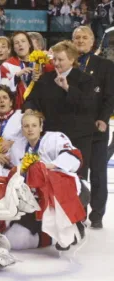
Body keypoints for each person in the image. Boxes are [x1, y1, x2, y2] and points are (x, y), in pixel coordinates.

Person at [5, 111, 87, 251]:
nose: (30, 129)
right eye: (26, 126)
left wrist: (45, 167)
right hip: (33, 201)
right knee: (13, 239)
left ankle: (74, 224)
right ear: (22, 129)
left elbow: (75, 157)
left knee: (68, 235)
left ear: (41, 127)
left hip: (63, 195)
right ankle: (47, 235)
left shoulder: (54, 138)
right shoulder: (18, 147)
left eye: (34, 125)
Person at [24, 40, 96, 180]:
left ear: (71, 60)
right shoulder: (46, 78)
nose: (56, 63)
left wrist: (67, 88)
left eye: (60, 59)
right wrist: (29, 110)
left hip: (78, 137)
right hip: (52, 138)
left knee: (76, 179)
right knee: (50, 178)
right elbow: (31, 99)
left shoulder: (86, 80)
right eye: (54, 59)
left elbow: (88, 105)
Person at [73, 26, 114, 229]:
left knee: (98, 172)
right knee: (76, 173)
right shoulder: (66, 62)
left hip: (97, 128)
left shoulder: (105, 65)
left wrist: (104, 119)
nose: (81, 40)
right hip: (73, 129)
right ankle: (77, 212)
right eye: (77, 37)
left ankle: (97, 215)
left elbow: (110, 95)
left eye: (85, 37)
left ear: (93, 41)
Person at [0, 31, 53, 109]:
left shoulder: (41, 60)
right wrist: (16, 77)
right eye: (16, 43)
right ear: (13, 48)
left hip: (40, 107)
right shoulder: (6, 66)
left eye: (23, 41)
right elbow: (3, 90)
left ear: (29, 44)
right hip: (17, 109)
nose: (20, 44)